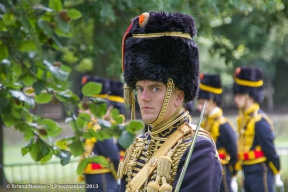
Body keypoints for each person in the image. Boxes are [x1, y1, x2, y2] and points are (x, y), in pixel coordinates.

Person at [118, 11, 223, 192]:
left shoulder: (197, 149)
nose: (143, 98)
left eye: (155, 88)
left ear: (179, 97)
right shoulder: (138, 146)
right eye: (140, 89)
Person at [233, 67, 283, 192]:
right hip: (248, 171)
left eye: (239, 95)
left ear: (249, 96)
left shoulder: (260, 121)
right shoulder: (244, 119)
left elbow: (270, 151)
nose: (236, 99)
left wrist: (277, 171)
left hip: (261, 172)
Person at [197, 73, 238, 192]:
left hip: (222, 171)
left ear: (212, 102)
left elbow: (234, 152)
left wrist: (233, 175)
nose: (199, 107)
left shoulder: (224, 125)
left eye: (202, 103)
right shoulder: (204, 123)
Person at [79, 75, 120, 192]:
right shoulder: (90, 128)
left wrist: (119, 177)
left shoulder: (99, 128)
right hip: (94, 179)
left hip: (104, 180)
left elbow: (114, 156)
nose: (79, 110)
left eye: (84, 107)